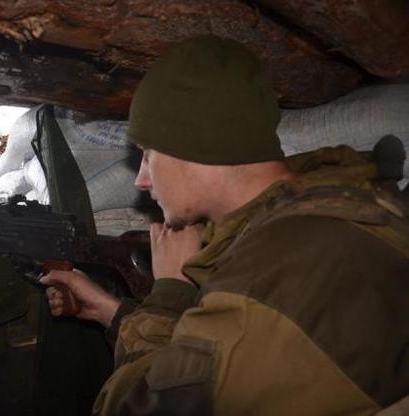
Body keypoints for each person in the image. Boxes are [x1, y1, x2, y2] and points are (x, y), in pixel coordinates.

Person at [40, 36, 409, 415]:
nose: (142, 180)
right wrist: (112, 313)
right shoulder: (313, 221)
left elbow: (135, 409)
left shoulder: (281, 270)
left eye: (149, 156)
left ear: (194, 145)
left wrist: (169, 292)